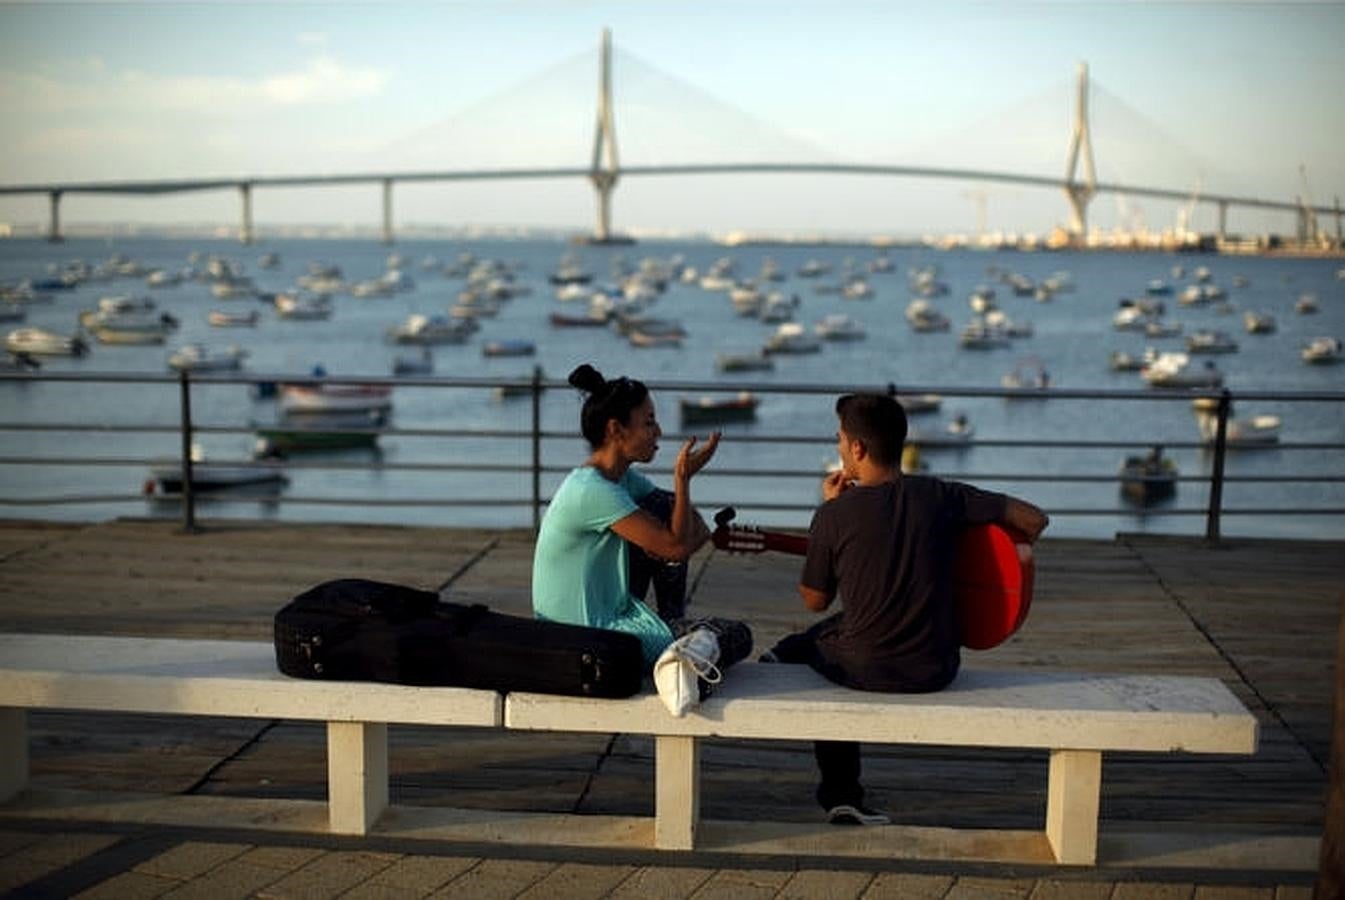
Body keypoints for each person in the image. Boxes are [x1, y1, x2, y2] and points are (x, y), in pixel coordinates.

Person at [762, 392, 1049, 826]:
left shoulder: (833, 515)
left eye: (840, 439)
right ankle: (783, 659)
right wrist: (992, 567)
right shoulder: (941, 495)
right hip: (935, 666)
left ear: (857, 449)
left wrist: (832, 517)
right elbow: (1033, 520)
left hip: (863, 668)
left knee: (810, 644)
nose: (839, 447)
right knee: (831, 631)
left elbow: (814, 599)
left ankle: (842, 793)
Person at [532, 363, 744, 670]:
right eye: (649, 422)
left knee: (662, 507)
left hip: (611, 620)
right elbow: (677, 546)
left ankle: (673, 629)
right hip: (585, 636)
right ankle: (676, 655)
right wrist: (683, 481)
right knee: (737, 635)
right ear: (616, 429)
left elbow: (678, 523)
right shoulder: (592, 491)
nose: (658, 432)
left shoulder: (621, 479)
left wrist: (675, 528)